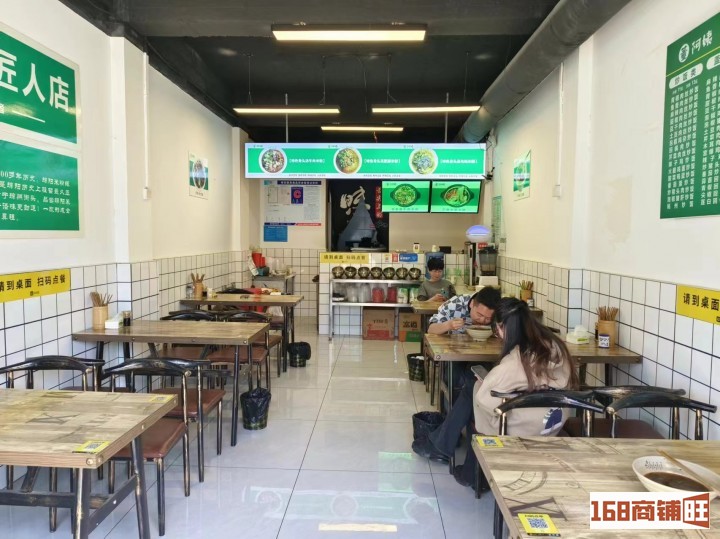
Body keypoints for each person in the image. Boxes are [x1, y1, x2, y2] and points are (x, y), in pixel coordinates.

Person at [414, 297, 579, 489]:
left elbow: (485, 400)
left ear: (502, 327)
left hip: (523, 425)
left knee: (472, 393)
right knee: (474, 392)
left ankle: (470, 472)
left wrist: (483, 384)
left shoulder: (517, 360)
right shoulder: (554, 345)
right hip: (554, 419)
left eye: (496, 329)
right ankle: (446, 447)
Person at [412, 287, 500, 463]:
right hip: (455, 355)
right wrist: (448, 325)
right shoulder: (455, 304)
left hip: (484, 357)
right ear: (472, 304)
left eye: (488, 319)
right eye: (479, 315)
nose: (482, 321)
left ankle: (448, 435)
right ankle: (454, 429)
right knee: (455, 381)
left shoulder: (500, 313)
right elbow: (431, 328)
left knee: (472, 382)